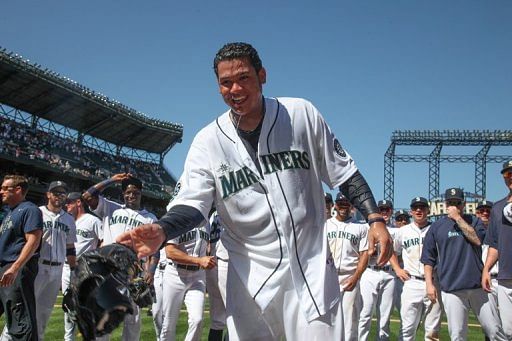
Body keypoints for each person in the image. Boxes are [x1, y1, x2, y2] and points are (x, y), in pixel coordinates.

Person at [116, 42, 393, 339]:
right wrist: (162, 229)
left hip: (310, 267)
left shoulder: (300, 114)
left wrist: (374, 218)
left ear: (262, 75)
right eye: (225, 82)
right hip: (248, 277)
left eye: (244, 77)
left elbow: (344, 172)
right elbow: (192, 203)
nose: (235, 89)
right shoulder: (208, 141)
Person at [421, 188, 506, 340]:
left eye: (457, 202)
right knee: (458, 334)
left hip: (478, 286)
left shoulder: (475, 221)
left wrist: (458, 219)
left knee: (494, 330)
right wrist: (429, 283)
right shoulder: (436, 226)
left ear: (464, 204)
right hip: (451, 287)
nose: (454, 206)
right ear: (445, 204)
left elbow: (477, 240)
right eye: (450, 202)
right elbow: (428, 258)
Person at [82, 173, 157, 341]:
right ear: (123, 194)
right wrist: (112, 180)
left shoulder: (150, 218)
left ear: (141, 193)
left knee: (133, 321)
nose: (131, 195)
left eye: (135, 192)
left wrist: (150, 271)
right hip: (107, 270)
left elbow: (155, 250)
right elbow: (87, 196)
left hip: (132, 273)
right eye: (127, 192)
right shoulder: (110, 207)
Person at [391, 196, 441, 340]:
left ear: (428, 210)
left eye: (422, 207)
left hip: (434, 281)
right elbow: (392, 251)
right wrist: (397, 269)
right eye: (415, 208)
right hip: (411, 282)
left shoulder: (436, 229)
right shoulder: (403, 231)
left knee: (432, 330)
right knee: (407, 328)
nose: (419, 210)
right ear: (411, 211)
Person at [0, 175, 43, 340]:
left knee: (20, 321)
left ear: (18, 190)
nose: (1, 191)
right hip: (5, 267)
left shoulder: (29, 209)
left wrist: (15, 268)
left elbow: (33, 240)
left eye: (5, 188)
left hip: (15, 268)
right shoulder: (9, 213)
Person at [159, 216, 215, 340]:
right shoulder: (178, 219)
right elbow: (170, 252)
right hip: (175, 274)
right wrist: (199, 260)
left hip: (197, 276)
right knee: (168, 323)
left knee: (197, 320)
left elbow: (208, 247)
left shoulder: (207, 222)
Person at [35, 181, 77, 340]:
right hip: (38, 266)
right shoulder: (37, 212)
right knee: (25, 309)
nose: (59, 196)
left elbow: (70, 247)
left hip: (58, 270)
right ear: (48, 194)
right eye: (55, 192)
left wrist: (73, 272)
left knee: (44, 313)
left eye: (62, 193)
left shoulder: (69, 219)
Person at [325, 192, 368, 341]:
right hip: (327, 276)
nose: (343, 206)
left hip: (349, 276)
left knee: (350, 322)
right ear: (335, 205)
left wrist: (356, 277)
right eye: (340, 203)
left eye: (346, 203)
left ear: (351, 206)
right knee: (326, 320)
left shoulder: (361, 227)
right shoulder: (325, 225)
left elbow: (365, 255)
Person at [61, 192, 103, 341]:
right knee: (68, 307)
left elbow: (104, 241)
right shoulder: (66, 220)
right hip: (66, 268)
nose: (66, 205)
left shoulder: (93, 220)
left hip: (85, 269)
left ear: (78, 202)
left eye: (69, 202)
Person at [483, 160, 512, 339]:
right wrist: (486, 269)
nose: (511, 177)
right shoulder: (497, 207)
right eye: (507, 174)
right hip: (505, 277)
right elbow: (494, 244)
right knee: (508, 331)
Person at [205, 211, 229, 341]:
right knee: (236, 315)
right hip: (224, 263)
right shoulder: (217, 213)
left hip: (215, 263)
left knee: (217, 320)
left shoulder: (213, 215)